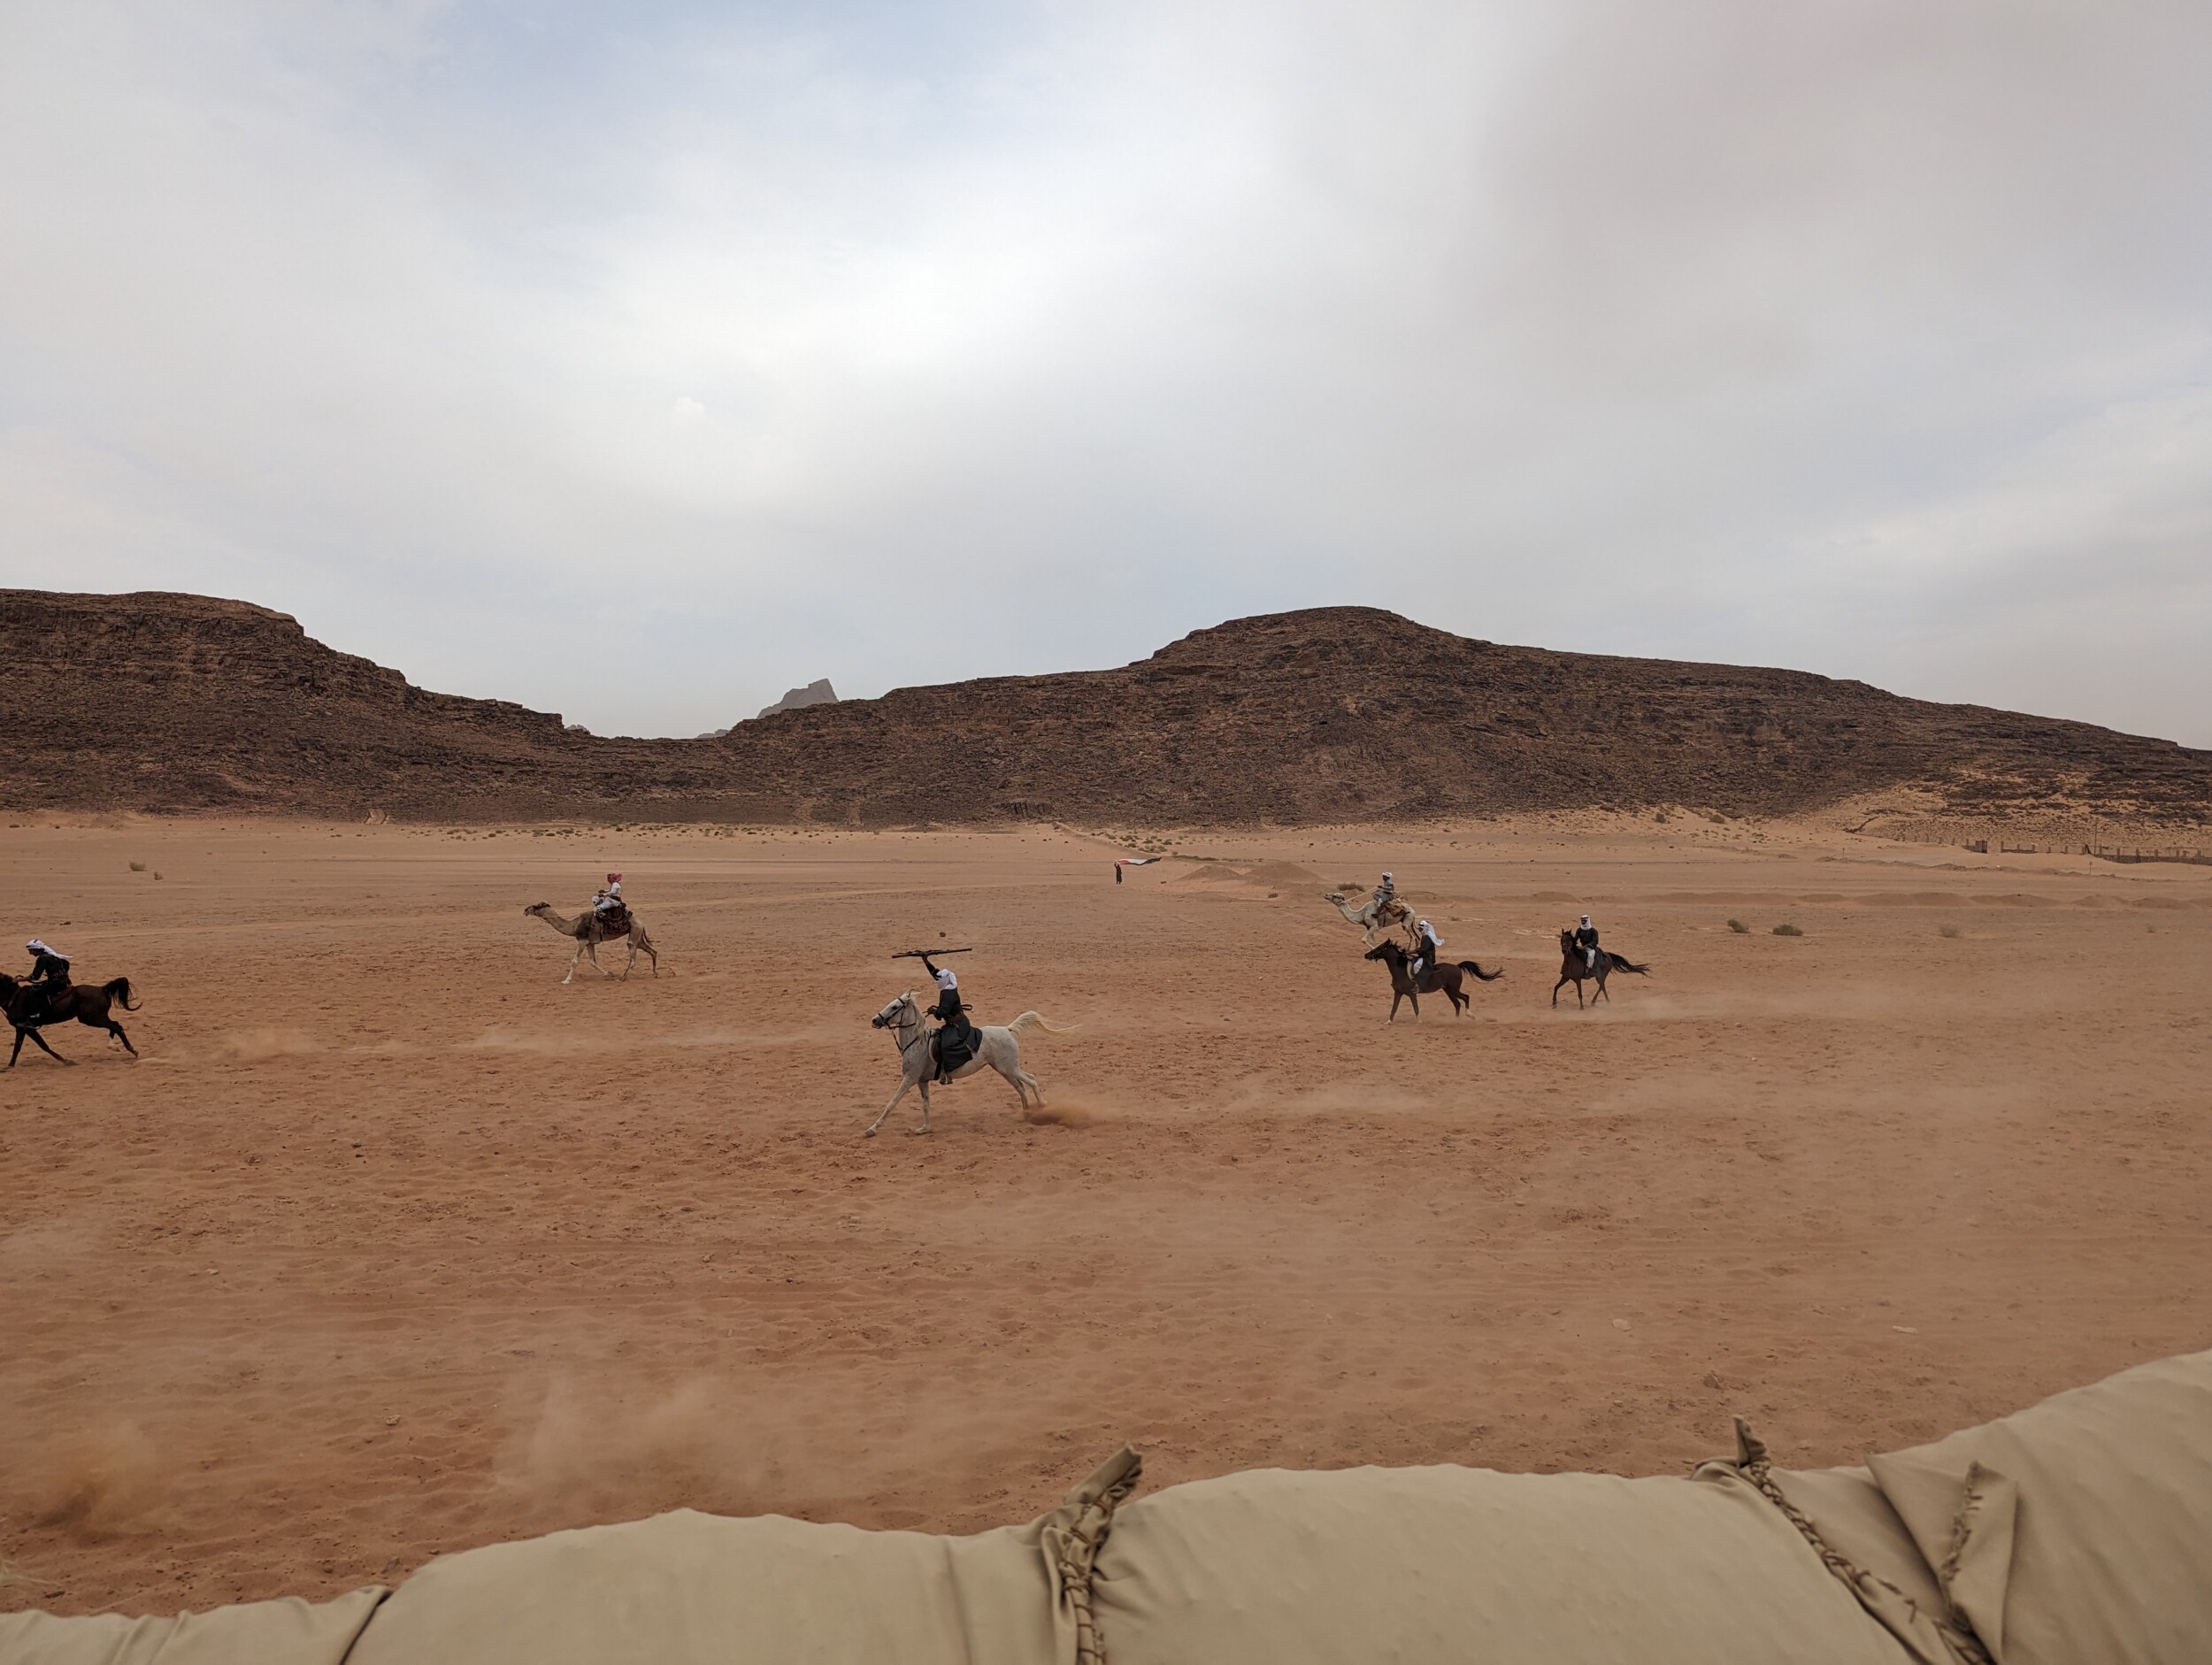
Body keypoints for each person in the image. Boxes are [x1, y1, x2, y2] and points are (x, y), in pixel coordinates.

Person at [918, 952, 973, 1084]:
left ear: (944, 980)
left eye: (939, 979)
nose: (937, 981)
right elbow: (935, 973)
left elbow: (942, 1012)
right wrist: (925, 960)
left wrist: (933, 1011)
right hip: (953, 1023)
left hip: (958, 1025)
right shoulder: (948, 985)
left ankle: (948, 1073)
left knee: (945, 1045)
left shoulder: (949, 993)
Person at [19, 938, 70, 1024]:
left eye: (31, 950)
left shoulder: (42, 958)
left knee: (34, 994)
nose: (30, 953)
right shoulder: (52, 956)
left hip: (56, 983)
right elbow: (66, 964)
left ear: (37, 949)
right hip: (64, 981)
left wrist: (18, 979)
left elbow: (35, 976)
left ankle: (35, 1016)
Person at [1409, 918, 1443, 987]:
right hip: (1424, 955)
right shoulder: (1425, 935)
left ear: (1425, 928)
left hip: (1428, 957)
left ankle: (1417, 984)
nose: (1419, 929)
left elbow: (1423, 949)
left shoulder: (1428, 937)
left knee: (1416, 966)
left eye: (1420, 928)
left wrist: (1410, 952)